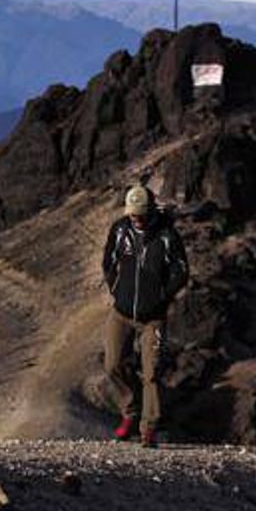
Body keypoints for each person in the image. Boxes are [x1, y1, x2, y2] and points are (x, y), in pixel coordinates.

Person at [101, 185, 189, 448]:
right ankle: (131, 409)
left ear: (150, 210)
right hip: (121, 313)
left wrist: (163, 297)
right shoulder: (120, 230)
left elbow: (181, 271)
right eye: (132, 214)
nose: (135, 218)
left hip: (154, 318)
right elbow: (108, 261)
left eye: (140, 214)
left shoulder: (167, 236)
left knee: (151, 373)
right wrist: (116, 287)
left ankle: (148, 427)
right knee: (112, 365)